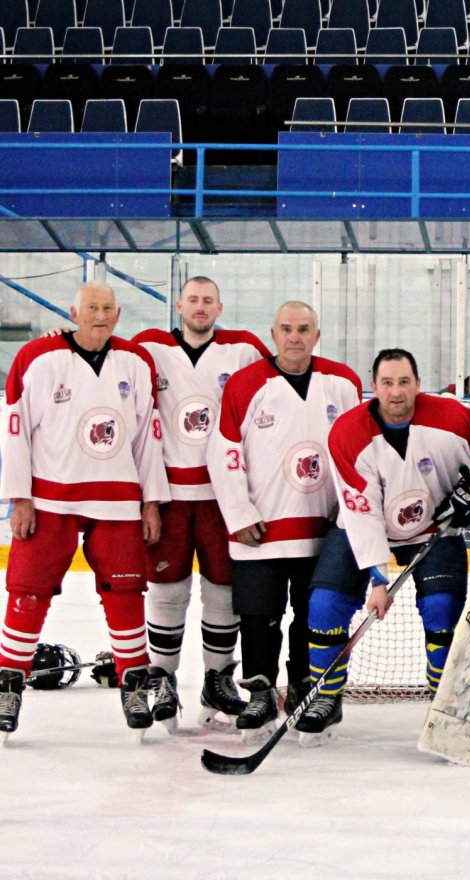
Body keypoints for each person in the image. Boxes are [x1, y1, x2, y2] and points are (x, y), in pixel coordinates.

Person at [297, 348, 470, 742]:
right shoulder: (346, 433)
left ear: (418, 384)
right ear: (372, 387)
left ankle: (443, 697)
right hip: (363, 525)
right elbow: (362, 512)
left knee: (442, 608)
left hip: (433, 528)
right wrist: (378, 579)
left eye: (404, 382)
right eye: (387, 383)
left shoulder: (451, 417)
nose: (396, 392)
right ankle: (325, 696)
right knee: (325, 605)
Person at [0, 281, 168, 739]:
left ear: (117, 314)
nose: (100, 314)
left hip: (117, 499)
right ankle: (8, 682)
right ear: (74, 312)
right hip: (51, 498)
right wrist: (20, 496)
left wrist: (150, 501)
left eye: (108, 308)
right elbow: (16, 430)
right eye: (91, 307)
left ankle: (133, 681)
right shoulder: (39, 357)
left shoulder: (135, 362)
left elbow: (146, 438)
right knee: (28, 588)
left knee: (125, 593)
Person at [207, 301, 361, 741]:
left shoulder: (343, 382)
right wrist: (238, 513)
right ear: (273, 335)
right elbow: (223, 452)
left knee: (312, 615)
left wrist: (349, 506)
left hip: (323, 529)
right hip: (262, 528)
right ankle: (259, 691)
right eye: (287, 329)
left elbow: (357, 452)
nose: (295, 337)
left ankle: (304, 687)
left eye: (304, 329)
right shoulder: (245, 383)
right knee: (260, 616)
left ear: (318, 335)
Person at [131, 276, 271, 731]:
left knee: (222, 591)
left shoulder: (244, 349)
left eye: (208, 300)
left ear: (219, 306)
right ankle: (164, 679)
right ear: (178, 304)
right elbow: (96, 354)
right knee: (167, 591)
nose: (200, 307)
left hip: (222, 498)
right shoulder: (148, 348)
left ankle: (218, 677)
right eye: (192, 299)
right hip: (170, 496)